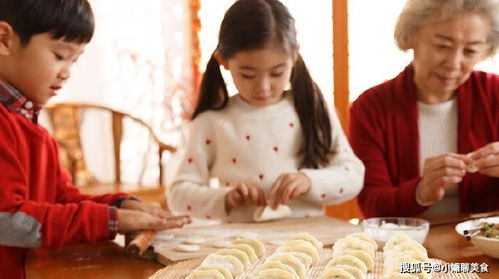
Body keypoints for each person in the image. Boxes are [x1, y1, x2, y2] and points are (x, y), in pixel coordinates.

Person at [0, 1, 191, 278]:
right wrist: (108, 221)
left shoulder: (34, 131)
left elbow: (60, 199)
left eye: (74, 60)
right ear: (5, 39)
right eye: (59, 55)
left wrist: (118, 205)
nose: (67, 72)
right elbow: (8, 220)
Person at [167, 0, 364, 223]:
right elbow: (178, 196)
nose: (263, 87)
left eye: (277, 73)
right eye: (248, 75)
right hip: (240, 247)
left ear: (294, 57)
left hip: (308, 243)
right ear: (223, 61)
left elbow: (354, 175)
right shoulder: (211, 122)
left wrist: (308, 181)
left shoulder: (313, 110)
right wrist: (227, 198)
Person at [350, 0, 499, 218]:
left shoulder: (494, 94)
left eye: (470, 51)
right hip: (403, 246)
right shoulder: (371, 107)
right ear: (411, 37)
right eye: (442, 46)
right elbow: (372, 206)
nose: (454, 63)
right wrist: (420, 192)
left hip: (482, 245)